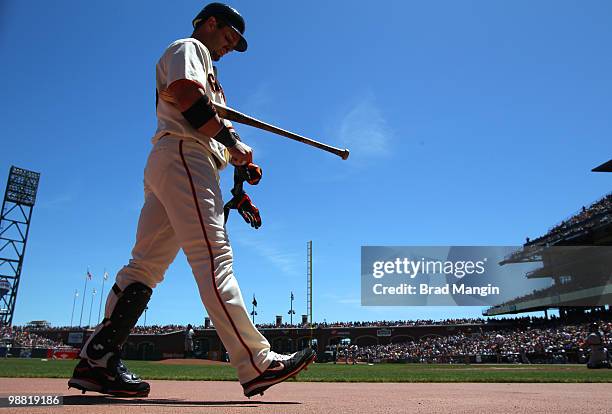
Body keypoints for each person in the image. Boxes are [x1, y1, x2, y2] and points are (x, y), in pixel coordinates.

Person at [68, 2, 315, 398]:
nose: (229, 48)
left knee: (144, 267)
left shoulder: (213, 78)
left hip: (178, 161)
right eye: (228, 38)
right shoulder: (189, 48)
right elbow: (186, 97)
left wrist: (239, 178)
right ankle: (257, 362)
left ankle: (98, 359)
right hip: (185, 155)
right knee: (214, 258)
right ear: (210, 24)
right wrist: (233, 144)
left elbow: (215, 130)